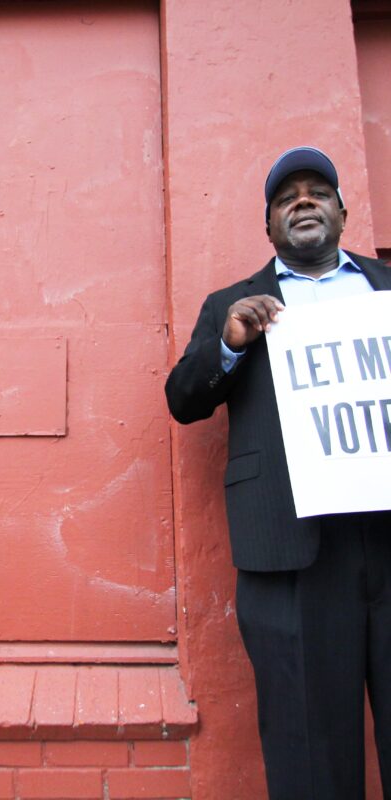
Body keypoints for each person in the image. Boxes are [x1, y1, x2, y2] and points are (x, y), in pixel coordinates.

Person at [165, 146, 391, 800]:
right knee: (307, 747)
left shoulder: (386, 292)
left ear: (343, 212)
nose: (303, 201)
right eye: (285, 196)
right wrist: (230, 346)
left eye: (318, 191)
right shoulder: (233, 305)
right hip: (292, 555)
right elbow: (183, 400)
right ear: (269, 226)